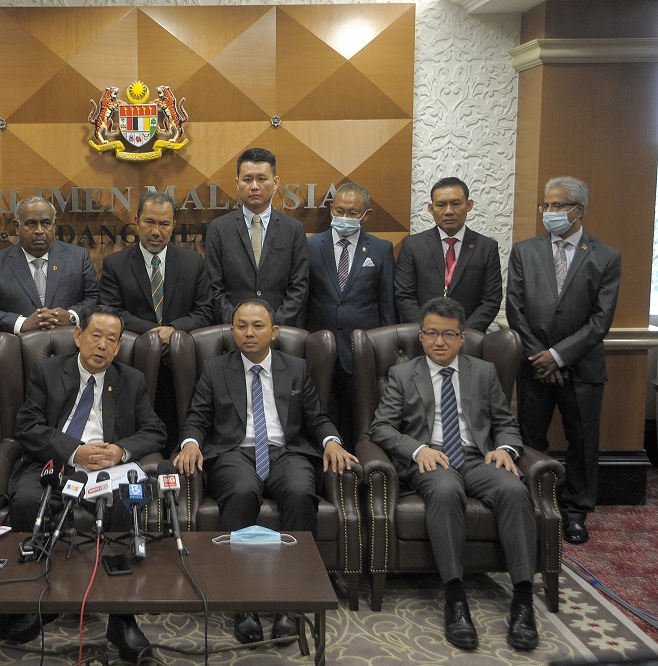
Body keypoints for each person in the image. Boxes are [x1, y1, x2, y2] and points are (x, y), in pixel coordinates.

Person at [174, 299, 356, 645]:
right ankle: (242, 602)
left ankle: (291, 600)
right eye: (241, 325)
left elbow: (316, 417)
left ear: (273, 331)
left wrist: (331, 441)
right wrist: (190, 443)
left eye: (258, 326)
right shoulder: (215, 368)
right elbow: (197, 416)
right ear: (232, 331)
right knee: (242, 491)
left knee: (300, 491)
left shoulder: (296, 367)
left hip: (286, 451)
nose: (249, 333)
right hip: (235, 452)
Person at [368, 297, 538, 651]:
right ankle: (455, 598)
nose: (439, 341)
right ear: (420, 336)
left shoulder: (484, 372)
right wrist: (419, 450)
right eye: (431, 333)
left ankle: (523, 600)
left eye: (448, 334)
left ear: (462, 337)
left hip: (478, 458)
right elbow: (381, 428)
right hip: (431, 459)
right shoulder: (403, 374)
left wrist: (505, 449)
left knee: (514, 490)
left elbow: (506, 423)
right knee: (445, 491)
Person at [8, 305, 165, 660]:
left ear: (119, 346)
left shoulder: (132, 380)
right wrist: (74, 451)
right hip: (54, 462)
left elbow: (155, 430)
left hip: (106, 470)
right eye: (96, 336)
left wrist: (121, 451)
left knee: (126, 502)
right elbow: (27, 427)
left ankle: (121, 616)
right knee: (27, 500)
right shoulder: (48, 371)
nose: (102, 345)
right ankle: (33, 602)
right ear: (78, 336)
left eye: (111, 340)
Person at [506, 177, 621, 545]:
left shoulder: (606, 256)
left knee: (583, 441)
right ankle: (533, 506)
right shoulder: (524, 251)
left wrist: (558, 356)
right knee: (530, 438)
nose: (549, 212)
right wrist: (541, 357)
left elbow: (601, 320)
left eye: (558, 205)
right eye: (546, 205)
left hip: (582, 368)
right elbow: (515, 309)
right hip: (533, 365)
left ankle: (575, 512)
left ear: (578, 210)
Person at [100, 191, 213, 456]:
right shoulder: (115, 264)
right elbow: (112, 313)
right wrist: (153, 334)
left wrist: (173, 331)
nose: (156, 231)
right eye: (149, 222)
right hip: (132, 368)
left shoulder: (193, 262)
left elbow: (206, 311)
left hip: (182, 368)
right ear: (137, 221)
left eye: (164, 224)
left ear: (173, 225)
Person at [306, 182, 396, 443]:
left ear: (366, 215)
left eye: (352, 213)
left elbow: (387, 305)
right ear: (331, 210)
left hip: (361, 351)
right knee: (320, 416)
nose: (344, 217)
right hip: (321, 349)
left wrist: (386, 353)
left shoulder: (381, 249)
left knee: (358, 420)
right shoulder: (310, 246)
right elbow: (303, 299)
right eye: (339, 211)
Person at [205, 147, 309, 326]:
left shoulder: (293, 229)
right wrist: (239, 324)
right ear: (237, 183)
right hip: (233, 330)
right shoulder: (219, 228)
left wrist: (272, 326)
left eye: (261, 179)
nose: (254, 186)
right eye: (247, 179)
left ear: (275, 182)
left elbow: (299, 286)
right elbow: (213, 287)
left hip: (280, 330)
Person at [0, 195, 99, 336]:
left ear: (54, 225)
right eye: (31, 223)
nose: (39, 230)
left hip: (69, 344)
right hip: (19, 346)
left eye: (46, 223)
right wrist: (21, 323)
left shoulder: (78, 257)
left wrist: (72, 317)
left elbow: (94, 297)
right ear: (17, 226)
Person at [395, 177, 502, 332]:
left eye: (456, 204)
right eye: (441, 205)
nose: (449, 211)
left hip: (467, 337)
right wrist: (429, 331)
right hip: (423, 336)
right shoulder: (412, 245)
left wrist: (460, 334)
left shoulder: (486, 247)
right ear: (431, 208)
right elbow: (404, 296)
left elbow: (491, 300)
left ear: (469, 205)